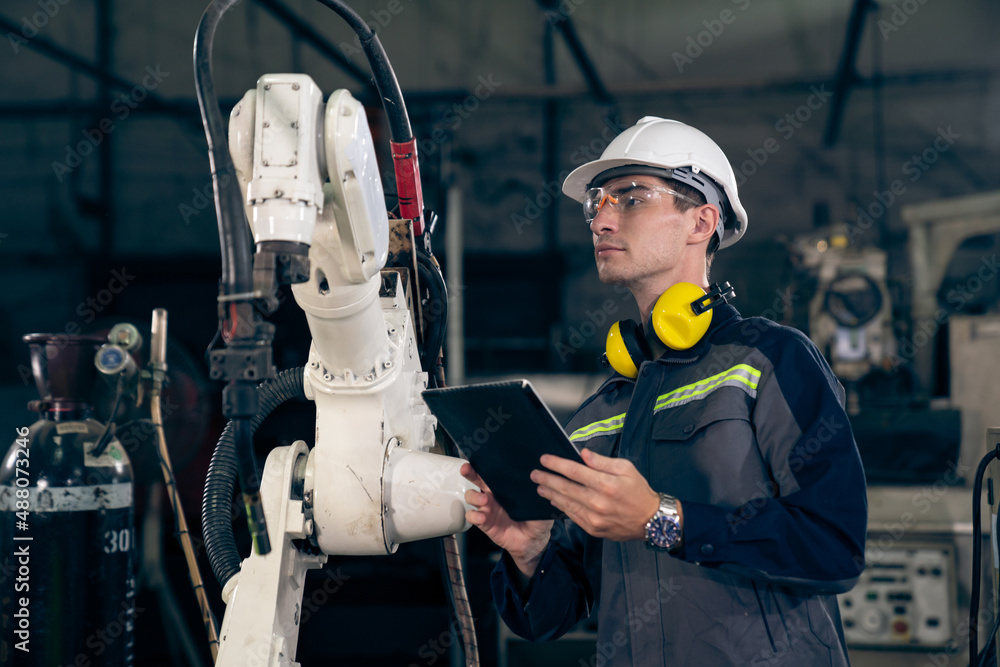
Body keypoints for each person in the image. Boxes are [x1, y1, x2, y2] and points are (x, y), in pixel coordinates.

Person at [461, 117, 868, 666]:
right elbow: (552, 617)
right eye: (596, 204)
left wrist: (662, 518)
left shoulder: (770, 360)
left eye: (629, 197)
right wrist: (530, 551)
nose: (602, 218)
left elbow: (834, 549)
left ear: (702, 220)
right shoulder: (603, 408)